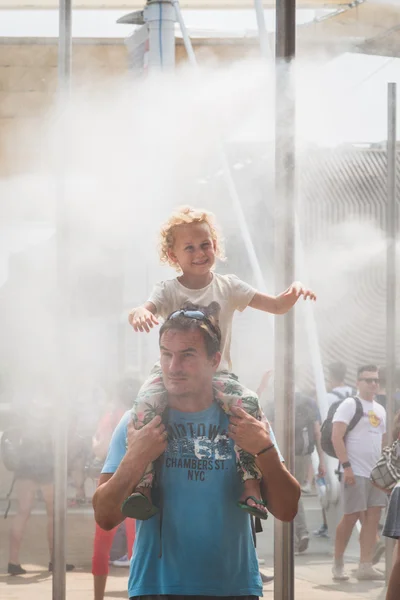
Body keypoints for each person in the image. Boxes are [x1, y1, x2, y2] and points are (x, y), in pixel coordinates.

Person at [93, 303, 300, 600]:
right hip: (156, 589)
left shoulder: (245, 421)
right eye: (166, 354)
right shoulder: (138, 423)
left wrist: (265, 449)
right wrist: (136, 457)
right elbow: (105, 516)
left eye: (187, 355)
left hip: (233, 589)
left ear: (214, 360)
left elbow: (286, 509)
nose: (173, 367)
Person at [125, 205, 315, 520]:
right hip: (172, 374)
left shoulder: (229, 286)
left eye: (206, 244)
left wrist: (294, 292)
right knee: (145, 402)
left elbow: (277, 306)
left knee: (248, 404)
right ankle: (142, 487)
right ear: (173, 256)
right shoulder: (167, 289)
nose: (200, 252)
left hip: (218, 375)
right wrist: (141, 313)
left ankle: (251, 487)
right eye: (190, 247)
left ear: (215, 246)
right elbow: (141, 308)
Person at [7, 381, 74, 575]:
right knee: (54, 514)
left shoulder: (26, 409)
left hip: (25, 464)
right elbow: (59, 438)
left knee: (22, 512)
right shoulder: (53, 410)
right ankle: (55, 561)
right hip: (46, 463)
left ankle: (13, 561)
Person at [331, 364, 387, 581]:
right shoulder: (349, 404)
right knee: (351, 516)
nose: (373, 383)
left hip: (376, 474)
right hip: (354, 470)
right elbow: (337, 436)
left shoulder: (380, 409)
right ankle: (338, 563)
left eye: (376, 380)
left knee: (373, 519)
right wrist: (346, 467)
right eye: (368, 380)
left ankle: (365, 564)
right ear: (358, 382)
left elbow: (382, 442)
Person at [91, 375, 139, 600]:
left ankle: (98, 597)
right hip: (135, 484)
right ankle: (136, 593)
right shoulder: (142, 416)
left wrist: (94, 444)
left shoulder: (111, 418)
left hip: (111, 482)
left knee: (102, 544)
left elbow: (100, 450)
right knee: (135, 545)